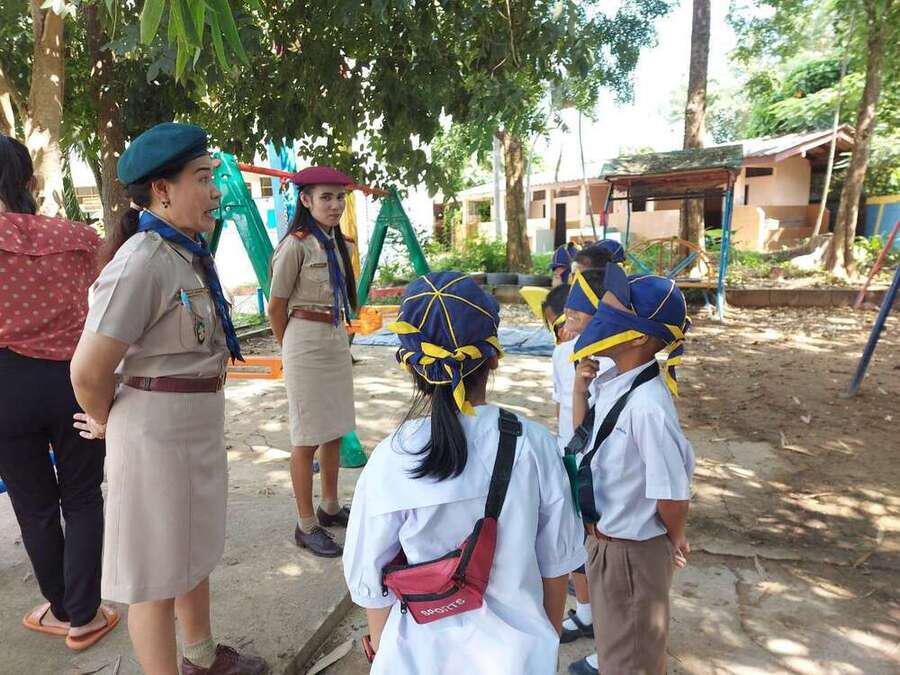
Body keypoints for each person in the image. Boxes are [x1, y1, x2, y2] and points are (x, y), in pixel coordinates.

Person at [70, 122, 269, 674]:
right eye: (203, 179)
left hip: (193, 427)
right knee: (154, 578)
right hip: (155, 438)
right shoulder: (142, 261)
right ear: (162, 190)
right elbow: (87, 370)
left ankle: (201, 658)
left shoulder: (186, 254)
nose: (215, 191)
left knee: (192, 552)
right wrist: (109, 420)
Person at [343, 271, 586, 674]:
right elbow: (557, 565)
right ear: (494, 357)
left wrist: (385, 654)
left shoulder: (391, 458)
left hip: (417, 660)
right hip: (516, 661)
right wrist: (544, 647)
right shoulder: (535, 446)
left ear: (410, 366)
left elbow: (371, 582)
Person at [0, 135, 116, 651]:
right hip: (73, 378)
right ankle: (85, 616)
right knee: (83, 494)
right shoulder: (76, 236)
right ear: (30, 180)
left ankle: (63, 608)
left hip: (6, 386)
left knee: (34, 504)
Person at [568, 262, 694, 675]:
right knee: (615, 646)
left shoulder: (648, 406)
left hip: (632, 552)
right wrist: (580, 391)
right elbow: (587, 443)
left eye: (612, 308)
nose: (599, 312)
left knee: (631, 659)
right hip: (605, 542)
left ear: (638, 336)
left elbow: (672, 494)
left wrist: (674, 539)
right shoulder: (613, 381)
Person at [266, 166, 358, 558]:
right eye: (326, 197)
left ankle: (330, 507)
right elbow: (275, 306)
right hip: (304, 339)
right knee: (306, 438)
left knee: (334, 429)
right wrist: (289, 346)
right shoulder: (295, 246)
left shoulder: (338, 243)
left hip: (335, 336)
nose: (335, 205)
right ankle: (306, 525)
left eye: (339, 197)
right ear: (305, 200)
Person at [555, 270, 614, 658]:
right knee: (576, 542)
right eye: (568, 315)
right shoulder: (563, 353)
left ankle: (611, 637)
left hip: (607, 469)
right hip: (572, 461)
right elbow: (561, 407)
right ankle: (588, 613)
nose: (568, 324)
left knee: (606, 549)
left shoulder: (615, 360)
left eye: (577, 316)